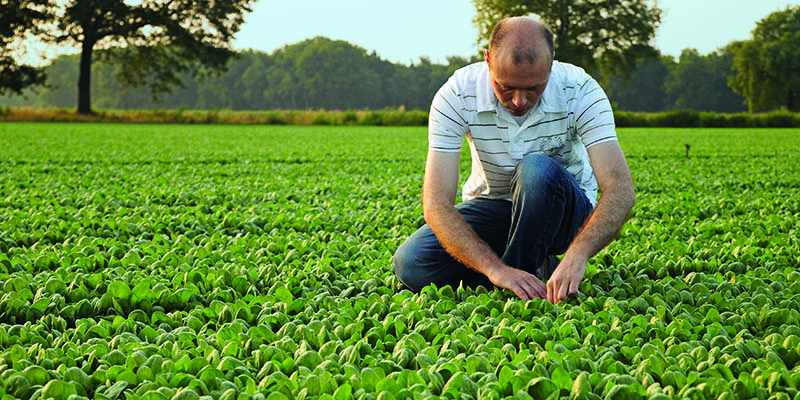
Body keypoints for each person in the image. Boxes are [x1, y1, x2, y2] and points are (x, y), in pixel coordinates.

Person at [392, 16, 635, 304]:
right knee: (412, 263)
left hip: (565, 214)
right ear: (487, 60)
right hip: (497, 209)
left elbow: (620, 188)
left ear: (551, 65)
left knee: (536, 170)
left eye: (533, 88)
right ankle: (525, 271)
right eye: (506, 87)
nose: (519, 101)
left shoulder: (581, 90)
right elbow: (436, 202)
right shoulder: (457, 94)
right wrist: (495, 269)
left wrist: (578, 254)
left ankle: (516, 287)